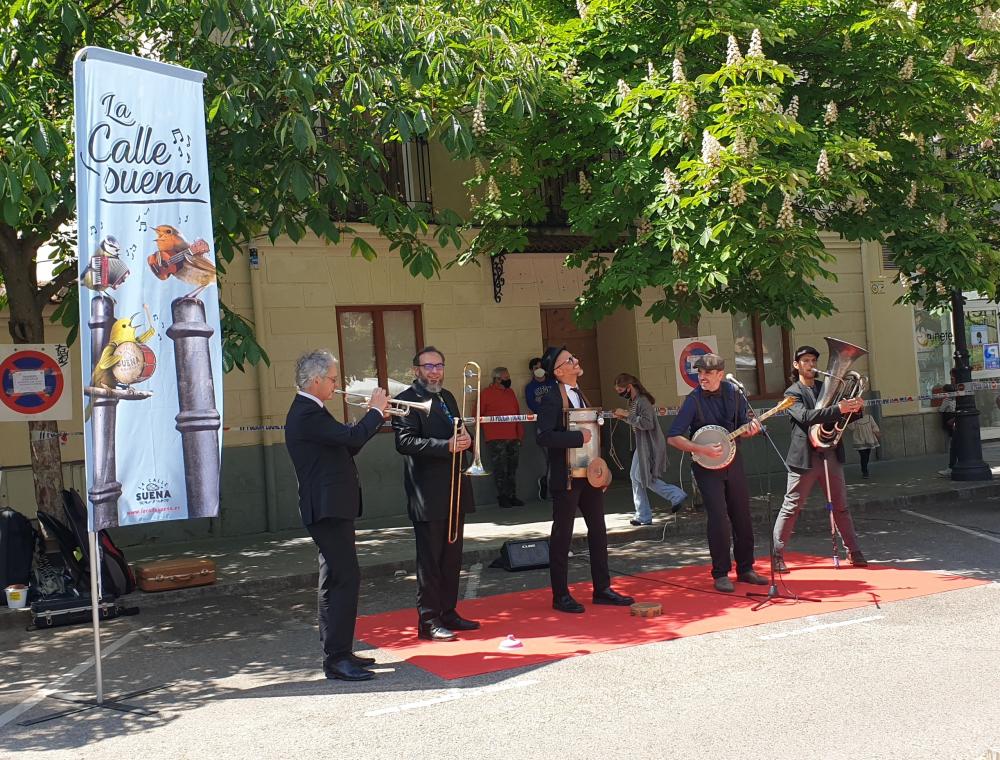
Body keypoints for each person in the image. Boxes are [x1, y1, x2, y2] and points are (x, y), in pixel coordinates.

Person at [284, 349, 389, 682]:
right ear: (315, 380)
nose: (336, 384)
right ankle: (336, 658)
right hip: (326, 507)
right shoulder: (306, 413)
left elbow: (349, 444)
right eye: (332, 379)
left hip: (333, 505)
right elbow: (353, 437)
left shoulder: (315, 411)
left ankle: (341, 651)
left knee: (338, 578)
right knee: (344, 579)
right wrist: (374, 412)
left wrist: (374, 419)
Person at [536, 346, 635, 613]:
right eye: (570, 359)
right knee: (562, 536)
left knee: (599, 532)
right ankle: (560, 595)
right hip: (566, 477)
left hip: (587, 474)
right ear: (558, 371)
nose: (576, 360)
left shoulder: (579, 392)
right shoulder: (551, 399)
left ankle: (602, 589)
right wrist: (578, 438)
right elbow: (543, 436)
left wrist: (599, 469)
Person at [392, 346, 480, 642]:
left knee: (452, 556)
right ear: (416, 369)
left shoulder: (448, 396)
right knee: (430, 559)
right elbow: (404, 442)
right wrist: (446, 447)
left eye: (438, 365)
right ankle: (429, 620)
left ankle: (448, 611)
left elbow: (457, 431)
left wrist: (466, 439)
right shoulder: (405, 400)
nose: (434, 371)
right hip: (427, 492)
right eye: (427, 366)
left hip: (455, 486)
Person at [666, 354, 768, 592]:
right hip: (706, 467)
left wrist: (751, 430)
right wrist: (700, 448)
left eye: (708, 373)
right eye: (699, 373)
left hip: (733, 462)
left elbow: (743, 426)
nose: (702, 377)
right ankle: (720, 573)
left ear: (720, 374)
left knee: (742, 514)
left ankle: (746, 569)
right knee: (719, 518)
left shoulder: (735, 394)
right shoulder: (693, 400)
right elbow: (673, 437)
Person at [771, 345, 868, 571]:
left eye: (814, 360)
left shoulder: (827, 388)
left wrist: (855, 409)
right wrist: (840, 408)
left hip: (830, 452)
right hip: (805, 457)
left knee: (841, 506)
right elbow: (806, 417)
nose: (811, 365)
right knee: (791, 506)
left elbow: (838, 419)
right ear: (797, 366)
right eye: (805, 361)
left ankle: (854, 551)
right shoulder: (791, 393)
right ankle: (776, 553)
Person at [612, 373, 687, 525]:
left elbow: (647, 424)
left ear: (629, 387)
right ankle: (643, 515)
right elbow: (636, 422)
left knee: (642, 477)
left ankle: (675, 495)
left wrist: (626, 415)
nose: (620, 393)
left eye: (620, 390)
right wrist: (625, 417)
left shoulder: (642, 401)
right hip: (642, 445)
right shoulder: (633, 401)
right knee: (635, 477)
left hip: (649, 445)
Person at [479, 366, 525, 507]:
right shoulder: (486, 394)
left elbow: (517, 413)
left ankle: (512, 495)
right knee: (500, 468)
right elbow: (478, 414)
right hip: (496, 438)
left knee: (512, 468)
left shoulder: (510, 392)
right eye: (505, 378)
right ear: (497, 379)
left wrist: (519, 434)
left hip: (513, 437)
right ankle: (502, 496)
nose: (508, 380)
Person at [525, 357, 557, 500]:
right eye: (536, 367)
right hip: (543, 425)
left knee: (558, 457)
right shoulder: (530, 387)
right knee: (550, 457)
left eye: (541, 366)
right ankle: (549, 488)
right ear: (532, 370)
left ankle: (549, 483)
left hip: (557, 423)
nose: (540, 369)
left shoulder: (553, 383)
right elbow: (532, 405)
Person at [848, 408, 880, 479]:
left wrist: (877, 432)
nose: (861, 411)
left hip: (869, 439)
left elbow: (874, 425)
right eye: (859, 410)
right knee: (863, 456)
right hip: (859, 439)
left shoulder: (869, 417)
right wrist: (851, 418)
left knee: (867, 455)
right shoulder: (854, 419)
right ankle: (865, 471)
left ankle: (865, 469)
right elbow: (851, 428)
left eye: (862, 410)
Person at [938, 384, 957, 477]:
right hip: (954, 421)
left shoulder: (946, 400)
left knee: (952, 443)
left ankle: (951, 467)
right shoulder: (956, 398)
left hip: (949, 420)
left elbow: (941, 410)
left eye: (943, 391)